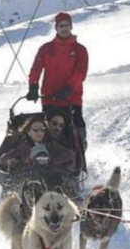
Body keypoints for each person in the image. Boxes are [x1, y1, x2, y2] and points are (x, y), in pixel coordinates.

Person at [27, 11, 89, 151]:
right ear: (56, 28)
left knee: (75, 129)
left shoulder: (80, 50)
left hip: (72, 99)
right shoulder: (46, 49)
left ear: (71, 26)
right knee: (48, 132)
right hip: (50, 98)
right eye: (61, 25)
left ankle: (79, 153)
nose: (64, 28)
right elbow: (36, 69)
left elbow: (80, 73)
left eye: (67, 25)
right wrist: (33, 86)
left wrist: (69, 88)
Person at [0, 116, 76, 171]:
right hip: (28, 179)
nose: (39, 133)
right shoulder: (23, 147)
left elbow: (70, 154)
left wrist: (52, 162)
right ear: (29, 132)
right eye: (35, 130)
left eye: (42, 130)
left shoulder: (50, 144)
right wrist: (20, 163)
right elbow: (3, 159)